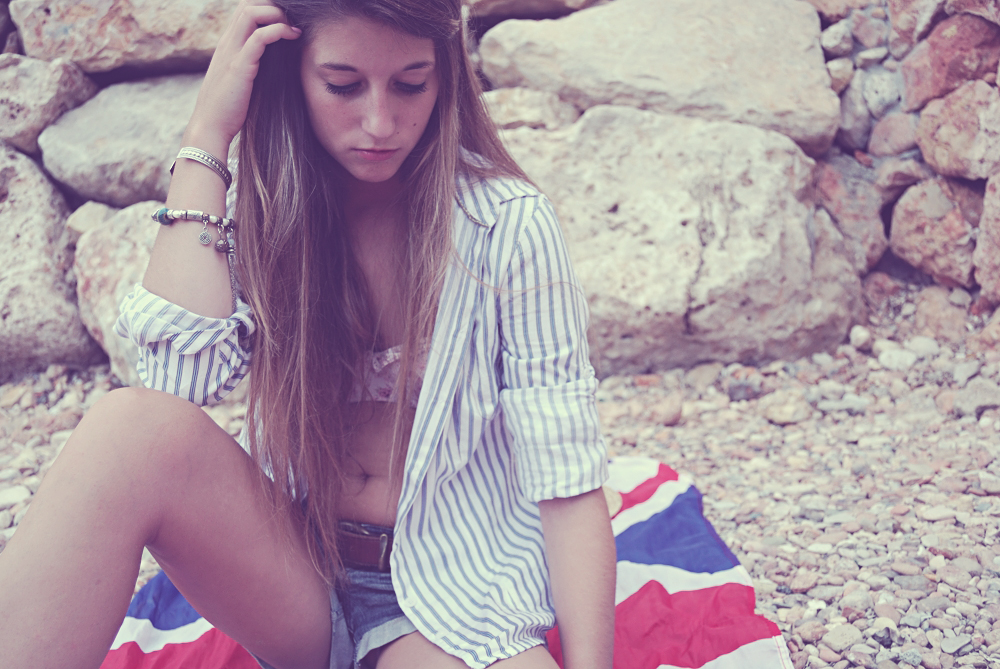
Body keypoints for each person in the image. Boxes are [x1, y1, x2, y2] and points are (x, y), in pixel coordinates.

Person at [0, 1, 615, 667]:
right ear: (292, 72)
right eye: (342, 85)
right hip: (295, 572)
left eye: (410, 84)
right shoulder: (266, 206)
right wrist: (208, 132)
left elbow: (566, 473)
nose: (379, 122)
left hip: (452, 587)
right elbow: (177, 383)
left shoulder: (507, 224)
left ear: (446, 76)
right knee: (128, 427)